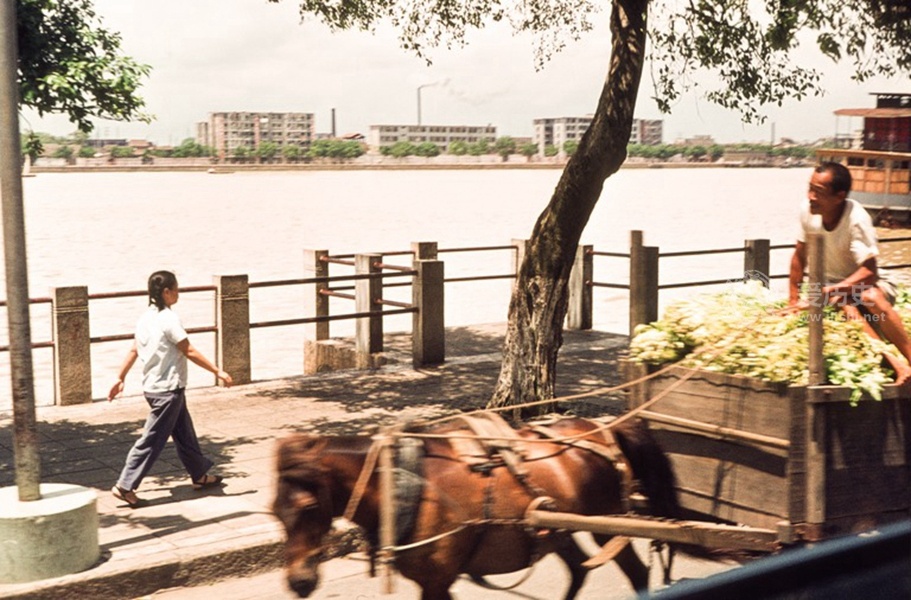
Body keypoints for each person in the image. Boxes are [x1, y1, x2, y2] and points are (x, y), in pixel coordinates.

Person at [108, 270, 234, 507]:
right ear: (166, 292)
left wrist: (119, 376)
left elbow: (135, 350)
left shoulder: (145, 317)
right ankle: (125, 485)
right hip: (168, 389)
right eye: (176, 289)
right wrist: (217, 371)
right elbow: (189, 350)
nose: (178, 293)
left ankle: (199, 475)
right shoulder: (169, 319)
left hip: (154, 386)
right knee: (152, 439)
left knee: (184, 432)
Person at [788, 161, 911, 383]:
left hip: (867, 284)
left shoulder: (857, 219)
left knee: (868, 295)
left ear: (839, 196)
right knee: (845, 304)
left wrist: (828, 291)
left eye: (819, 192)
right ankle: (897, 364)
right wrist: (793, 301)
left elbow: (869, 272)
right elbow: (799, 256)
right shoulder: (807, 211)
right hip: (836, 291)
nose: (811, 196)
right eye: (810, 188)